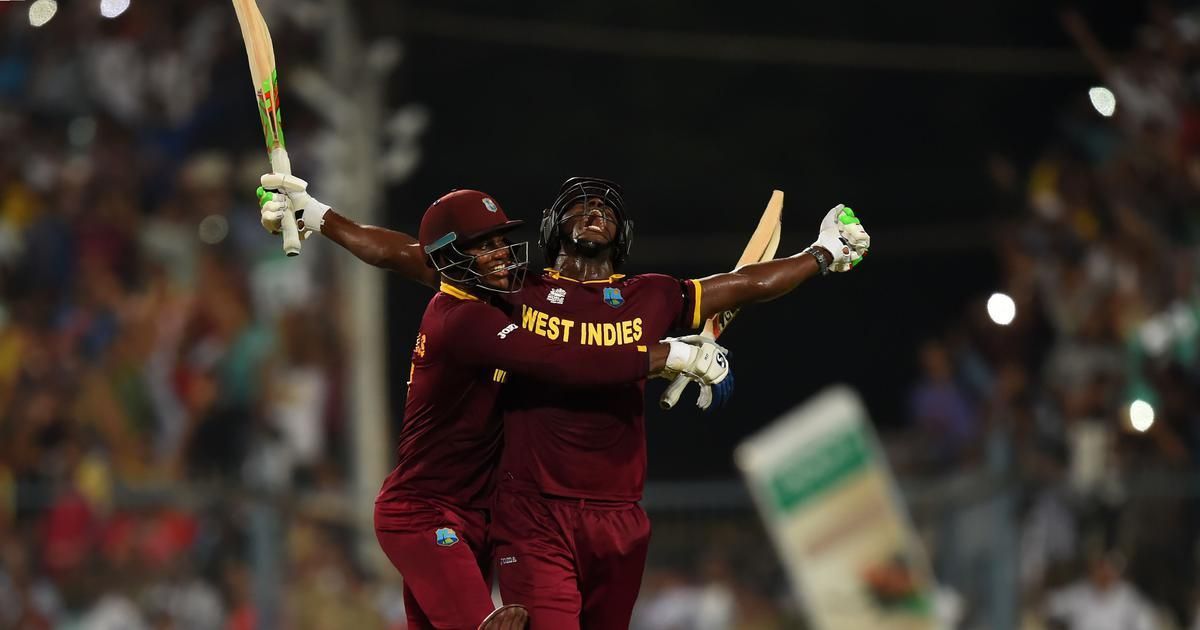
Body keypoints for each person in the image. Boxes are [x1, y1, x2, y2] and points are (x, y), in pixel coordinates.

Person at [259, 174, 869, 629]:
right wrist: (321, 217)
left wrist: (822, 255)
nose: (594, 210)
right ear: (554, 227)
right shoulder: (506, 292)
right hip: (530, 513)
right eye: (580, 204)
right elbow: (409, 256)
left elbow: (744, 284)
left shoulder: (652, 296)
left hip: (619, 516)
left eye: (606, 206)